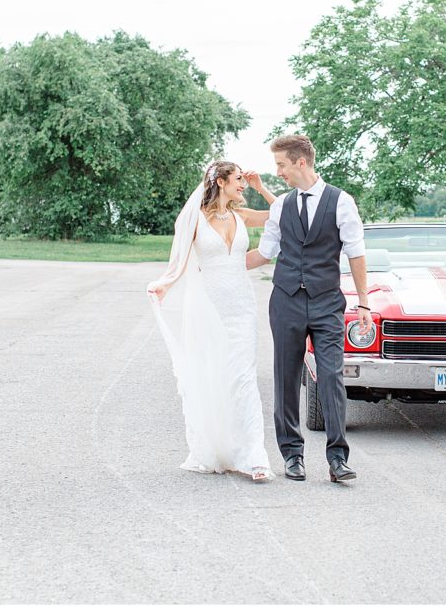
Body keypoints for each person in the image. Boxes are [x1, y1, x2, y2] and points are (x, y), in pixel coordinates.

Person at [245, 135, 370, 483]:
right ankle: (292, 455)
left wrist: (364, 302)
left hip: (327, 301)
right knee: (286, 378)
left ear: (301, 162)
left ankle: (337, 458)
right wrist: (220, 265)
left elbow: (356, 252)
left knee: (331, 376)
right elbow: (265, 253)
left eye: (282, 165)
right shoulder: (282, 205)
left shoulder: (341, 201)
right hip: (285, 300)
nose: (279, 172)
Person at [147, 161, 277, 481]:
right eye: (238, 180)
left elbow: (282, 212)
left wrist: (262, 188)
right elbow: (179, 260)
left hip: (242, 306)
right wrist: (166, 282)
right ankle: (219, 447)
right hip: (210, 306)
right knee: (214, 375)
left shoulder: (241, 215)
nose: (242, 185)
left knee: (244, 377)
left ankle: (254, 456)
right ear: (220, 182)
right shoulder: (194, 219)